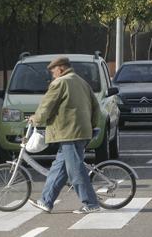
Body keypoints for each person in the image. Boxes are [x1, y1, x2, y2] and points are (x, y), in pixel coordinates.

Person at [27, 57, 102, 214]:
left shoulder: (59, 83)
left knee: (75, 169)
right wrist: (92, 126)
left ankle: (91, 203)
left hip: (69, 133)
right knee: (58, 168)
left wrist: (36, 119)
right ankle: (46, 201)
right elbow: (96, 106)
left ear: (60, 69)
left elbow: (46, 106)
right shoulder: (82, 82)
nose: (52, 74)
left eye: (53, 70)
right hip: (81, 131)